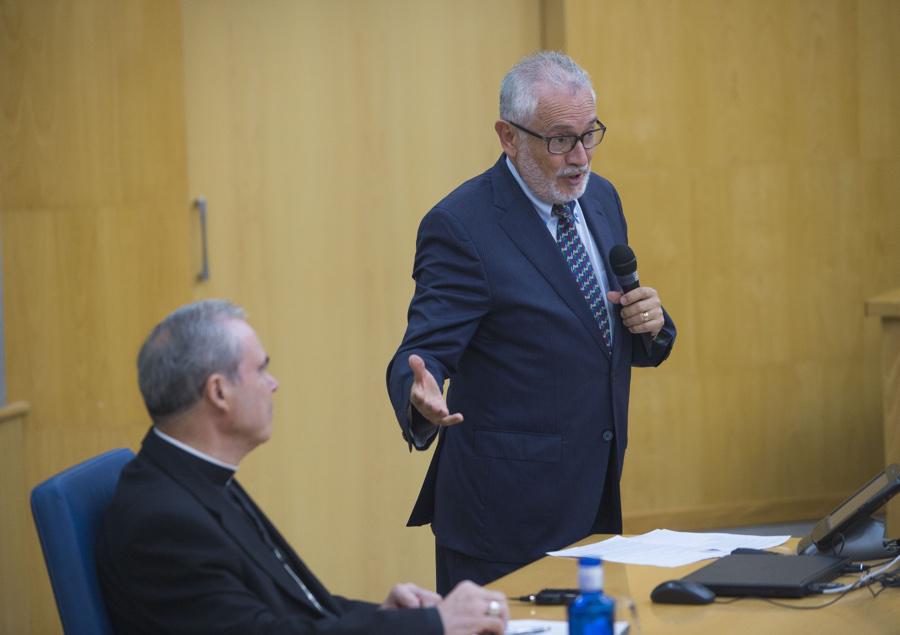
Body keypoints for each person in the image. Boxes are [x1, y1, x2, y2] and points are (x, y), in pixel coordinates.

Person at [386, 51, 677, 594]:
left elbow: (594, 328)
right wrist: (417, 396)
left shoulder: (602, 198)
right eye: (560, 140)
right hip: (502, 521)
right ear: (509, 137)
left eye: (589, 135)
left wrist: (652, 325)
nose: (580, 157)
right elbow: (421, 352)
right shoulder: (462, 226)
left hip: (594, 495)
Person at [97, 299, 509, 635]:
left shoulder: (192, 477)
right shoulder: (165, 522)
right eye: (261, 369)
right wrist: (433, 625)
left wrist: (387, 617)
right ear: (219, 393)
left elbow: (291, 608)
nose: (273, 383)